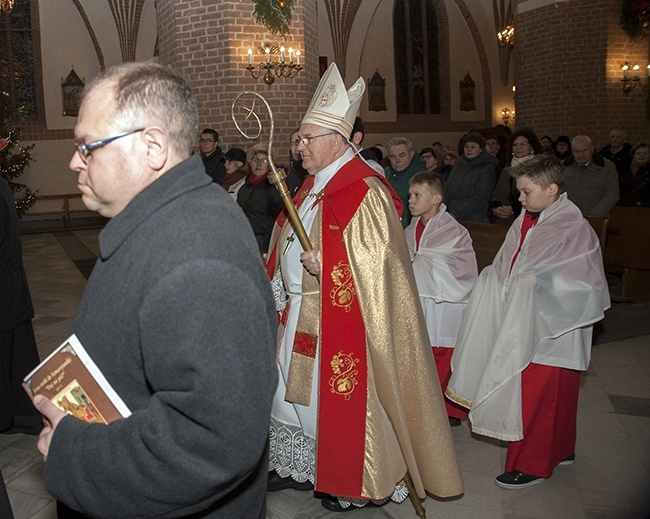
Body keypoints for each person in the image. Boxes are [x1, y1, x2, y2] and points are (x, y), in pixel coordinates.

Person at [33, 62, 278, 519]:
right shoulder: (161, 220)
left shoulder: (197, 258)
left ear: (151, 146)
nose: (74, 162)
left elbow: (209, 443)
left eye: (88, 147)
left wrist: (74, 451)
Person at [265, 62, 463, 513]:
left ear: (337, 139)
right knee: (291, 396)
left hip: (343, 319)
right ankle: (309, 466)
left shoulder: (365, 191)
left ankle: (355, 481)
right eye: (297, 139)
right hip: (299, 311)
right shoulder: (311, 186)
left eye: (306, 139)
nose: (298, 148)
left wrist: (329, 262)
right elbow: (287, 235)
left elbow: (381, 269)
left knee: (334, 398)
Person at [447, 155, 610, 489]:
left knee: (543, 394)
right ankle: (562, 449)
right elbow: (509, 262)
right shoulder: (530, 218)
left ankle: (532, 464)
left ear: (552, 189)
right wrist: (495, 277)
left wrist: (534, 282)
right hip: (527, 316)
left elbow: (583, 277)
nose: (519, 199)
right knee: (555, 393)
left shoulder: (570, 225)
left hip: (553, 324)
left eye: (526, 191)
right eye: (519, 191)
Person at [405, 171, 478, 427]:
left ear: (436, 198)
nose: (410, 201)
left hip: (446, 303)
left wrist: (425, 266)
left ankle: (448, 409)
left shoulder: (454, 231)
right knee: (421, 353)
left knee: (443, 355)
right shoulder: (411, 229)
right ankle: (424, 406)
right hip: (421, 302)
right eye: (410, 195)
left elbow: (463, 268)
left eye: (417, 195)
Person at [1, 176, 43, 436]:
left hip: (5, 288)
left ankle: (15, 416)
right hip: (10, 288)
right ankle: (20, 416)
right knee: (14, 356)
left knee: (11, 355)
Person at [489, 128, 545, 226]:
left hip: (532, 220)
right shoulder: (506, 171)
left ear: (532, 147)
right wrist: (496, 209)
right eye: (515, 145)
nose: (518, 148)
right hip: (506, 222)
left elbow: (542, 198)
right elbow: (496, 196)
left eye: (523, 144)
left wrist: (514, 208)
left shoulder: (539, 169)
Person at [236, 142, 284, 254]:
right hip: (245, 240)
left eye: (264, 160)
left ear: (270, 164)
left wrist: (248, 223)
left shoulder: (274, 188)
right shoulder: (244, 187)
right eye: (255, 160)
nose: (259, 164)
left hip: (264, 243)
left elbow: (277, 221)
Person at [445, 132, 496, 223]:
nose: (469, 150)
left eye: (473, 147)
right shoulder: (458, 165)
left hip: (474, 217)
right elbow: (448, 189)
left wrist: (456, 213)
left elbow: (481, 197)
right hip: (451, 214)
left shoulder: (486, 168)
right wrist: (444, 209)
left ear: (480, 149)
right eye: (466, 147)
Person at [563, 135, 619, 217]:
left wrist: (594, 215)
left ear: (592, 149)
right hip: (569, 218)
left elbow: (612, 195)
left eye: (585, 150)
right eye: (577, 151)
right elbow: (558, 193)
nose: (581, 155)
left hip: (597, 218)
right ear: (572, 152)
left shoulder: (607, 167)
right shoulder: (563, 167)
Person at [384, 137, 426, 228]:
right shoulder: (384, 174)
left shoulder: (422, 177)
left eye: (402, 155)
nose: (397, 160)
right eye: (393, 156)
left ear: (411, 154)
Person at [618, 142, 650, 207]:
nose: (641, 155)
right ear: (633, 154)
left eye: (645, 153)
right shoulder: (622, 168)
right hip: (624, 206)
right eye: (638, 153)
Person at [284, 129, 309, 198]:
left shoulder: (311, 173)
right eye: (292, 144)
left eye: (298, 142)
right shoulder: (292, 174)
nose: (296, 148)